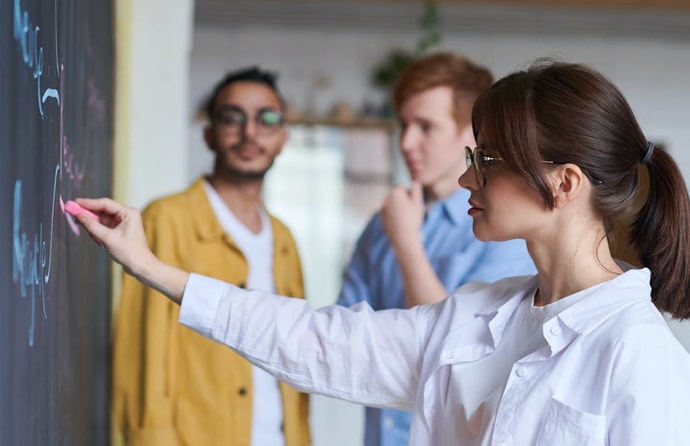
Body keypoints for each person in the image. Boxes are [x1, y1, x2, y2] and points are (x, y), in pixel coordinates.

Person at [78, 59, 690, 445]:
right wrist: (154, 268)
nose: (465, 180)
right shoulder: (478, 314)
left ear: (564, 183)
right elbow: (320, 339)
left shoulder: (640, 355)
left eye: (487, 161)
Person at [337, 52, 536, 445]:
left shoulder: (506, 230)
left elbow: (463, 354)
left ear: (469, 134)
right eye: (404, 125)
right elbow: (347, 338)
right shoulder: (381, 225)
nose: (407, 142)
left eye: (426, 127)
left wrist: (407, 244)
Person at [110, 67, 310, 445]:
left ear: (283, 138)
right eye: (232, 118)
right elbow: (142, 357)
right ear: (209, 133)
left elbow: (296, 352)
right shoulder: (167, 219)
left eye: (266, 119)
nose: (250, 132)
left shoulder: (284, 240)